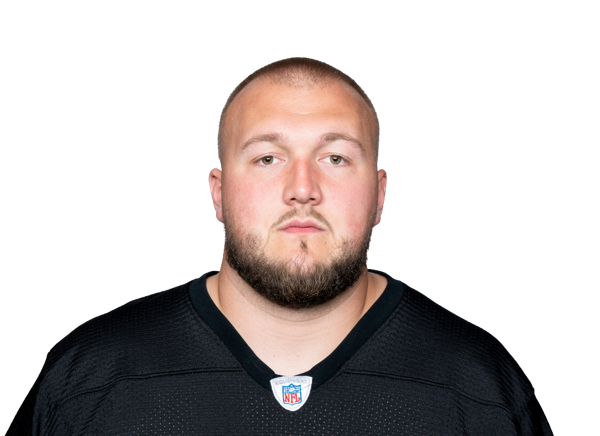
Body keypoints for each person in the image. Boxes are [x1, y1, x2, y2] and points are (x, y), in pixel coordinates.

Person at [7, 57, 552, 435]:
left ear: (380, 194)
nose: (302, 189)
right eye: (267, 158)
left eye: (335, 158)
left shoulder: (479, 386)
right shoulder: (91, 379)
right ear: (218, 193)